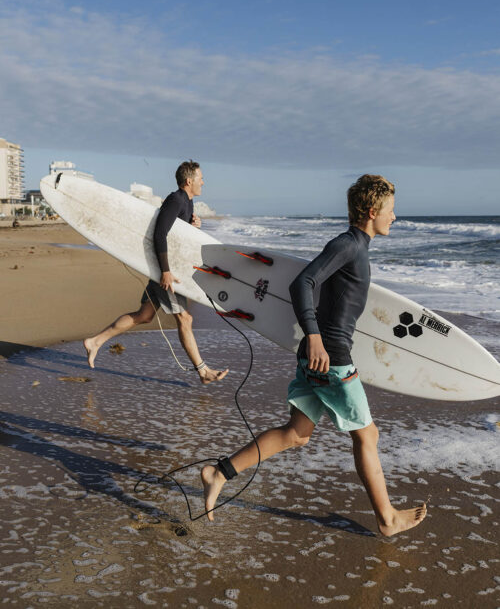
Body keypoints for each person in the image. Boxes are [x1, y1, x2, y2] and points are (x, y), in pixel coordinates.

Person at [201, 174, 427, 536]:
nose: (394, 217)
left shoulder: (356, 246)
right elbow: (302, 282)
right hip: (330, 356)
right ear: (372, 211)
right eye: (391, 210)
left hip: (317, 356)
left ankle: (219, 473)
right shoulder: (348, 245)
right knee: (367, 435)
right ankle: (387, 519)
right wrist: (315, 336)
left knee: (296, 433)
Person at [84, 160, 228, 385]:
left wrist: (192, 227)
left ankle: (95, 342)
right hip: (167, 272)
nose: (203, 182)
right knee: (185, 318)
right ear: (189, 181)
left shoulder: (187, 202)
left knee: (144, 315)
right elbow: (159, 234)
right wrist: (166, 272)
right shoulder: (175, 200)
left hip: (163, 269)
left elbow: (175, 233)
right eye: (200, 178)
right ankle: (203, 372)